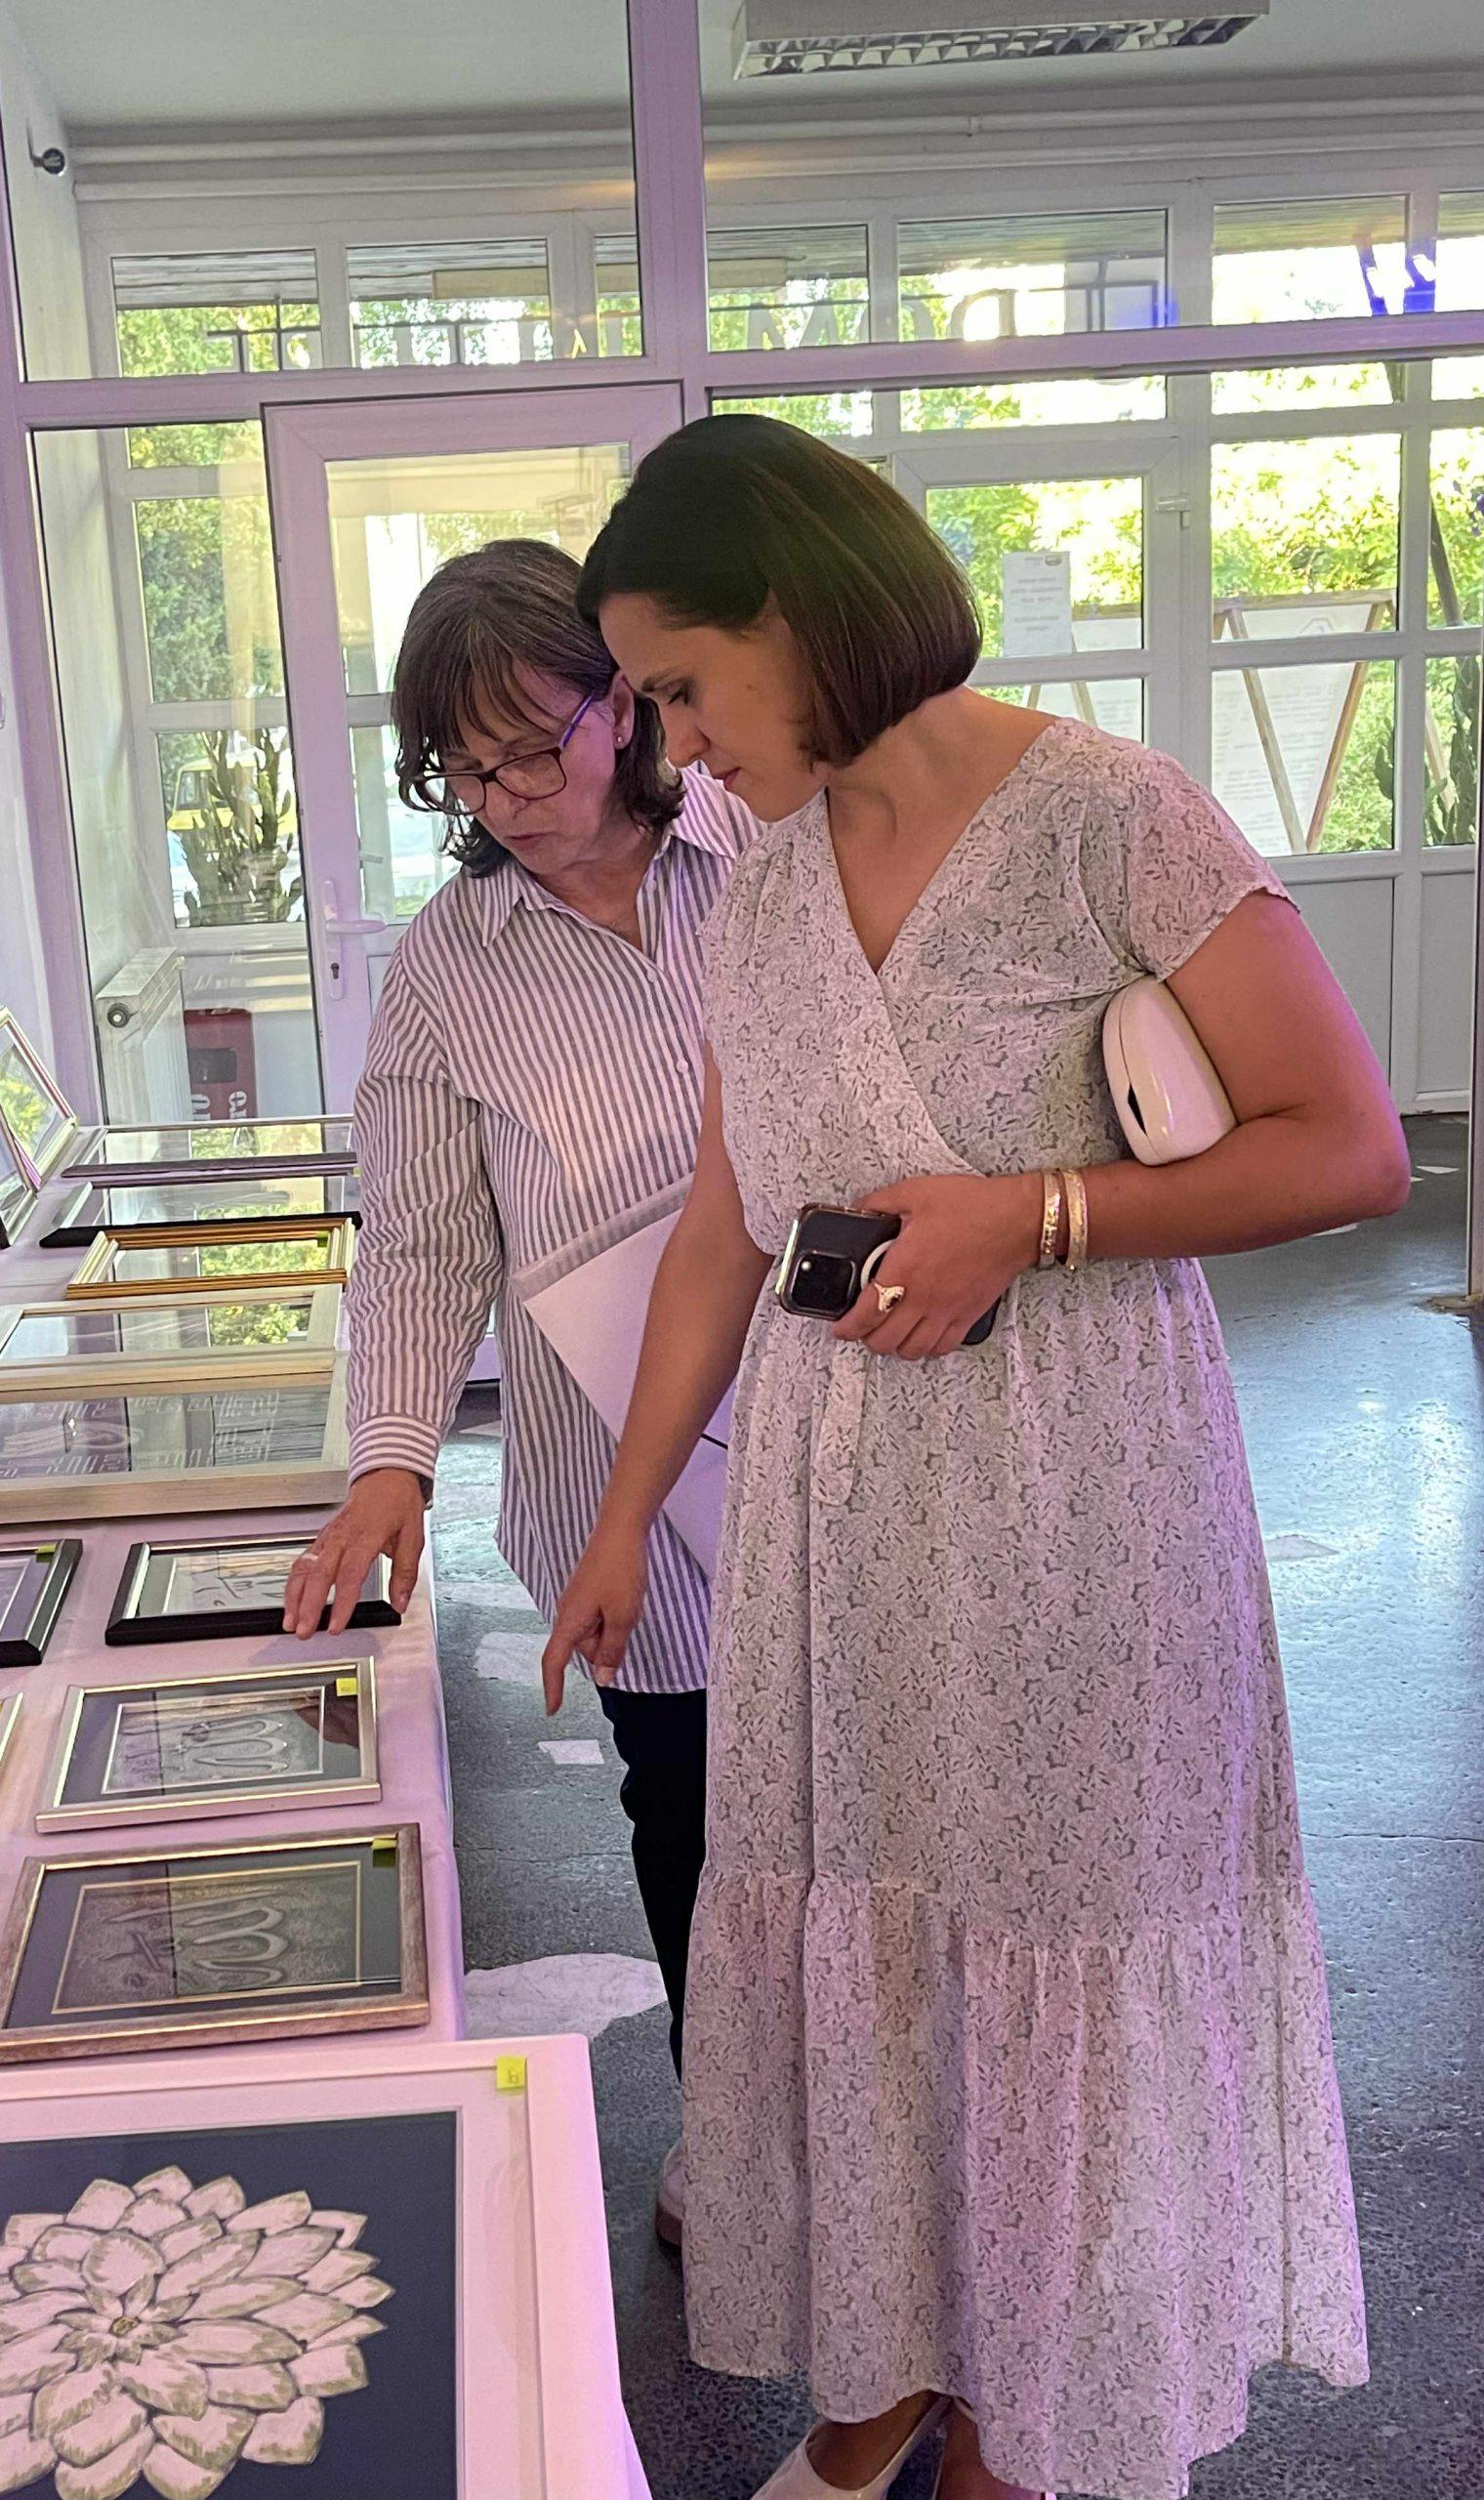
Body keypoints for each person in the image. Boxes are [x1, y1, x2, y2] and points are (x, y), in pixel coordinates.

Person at [545, 414, 1402, 2500]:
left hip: (1075, 1492)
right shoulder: (757, 892)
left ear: (798, 611)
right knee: (873, 1930)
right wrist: (626, 1513)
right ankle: (890, 2367)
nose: (670, 748)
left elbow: (1352, 1146)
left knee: (1051, 1926)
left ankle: (1025, 2405)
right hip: (838, 1517)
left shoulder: (1115, 817)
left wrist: (1040, 1211)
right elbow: (725, 1230)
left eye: (680, 686)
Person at [282, 538, 762, 2243]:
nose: (507, 802)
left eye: (532, 751)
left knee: (878, 1807)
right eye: (463, 773)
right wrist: (391, 1460)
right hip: (616, 1486)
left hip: (844, 1422)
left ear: (622, 703)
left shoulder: (772, 855)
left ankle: (896, 2165)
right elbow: (421, 1242)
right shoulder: (450, 966)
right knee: (690, 1815)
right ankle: (739, 2152)